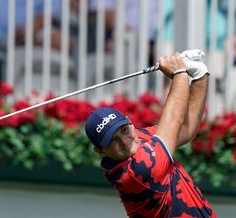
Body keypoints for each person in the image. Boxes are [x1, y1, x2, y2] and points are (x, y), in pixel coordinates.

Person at [85, 51, 216, 218]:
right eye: (113, 140)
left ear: (130, 122)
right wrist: (179, 72)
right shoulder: (138, 171)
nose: (124, 141)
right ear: (100, 151)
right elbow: (174, 119)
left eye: (124, 130)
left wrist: (200, 76)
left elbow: (185, 130)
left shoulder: (139, 139)